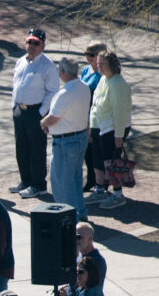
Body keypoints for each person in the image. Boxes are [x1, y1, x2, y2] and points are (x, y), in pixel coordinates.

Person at [41, 57, 92, 219]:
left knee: (62, 183)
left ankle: (69, 217)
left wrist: (42, 122)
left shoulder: (64, 94)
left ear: (62, 72)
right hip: (80, 138)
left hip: (65, 142)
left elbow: (51, 119)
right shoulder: (84, 88)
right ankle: (80, 213)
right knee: (76, 179)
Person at [9, 28, 55, 198]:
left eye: (36, 43)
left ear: (43, 45)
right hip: (20, 111)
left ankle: (38, 185)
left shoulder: (47, 66)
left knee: (36, 150)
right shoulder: (20, 61)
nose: (32, 46)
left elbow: (52, 91)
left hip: (36, 112)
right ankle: (26, 181)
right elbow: (16, 86)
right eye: (29, 42)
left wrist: (41, 113)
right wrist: (14, 106)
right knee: (21, 148)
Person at [87, 50, 133, 209]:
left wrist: (118, 136)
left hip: (112, 129)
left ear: (112, 64)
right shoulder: (104, 80)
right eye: (97, 63)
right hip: (100, 127)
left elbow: (119, 112)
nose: (98, 66)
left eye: (102, 64)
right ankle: (100, 190)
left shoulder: (118, 83)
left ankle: (118, 195)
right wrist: (91, 128)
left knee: (112, 162)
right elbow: (95, 105)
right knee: (98, 160)